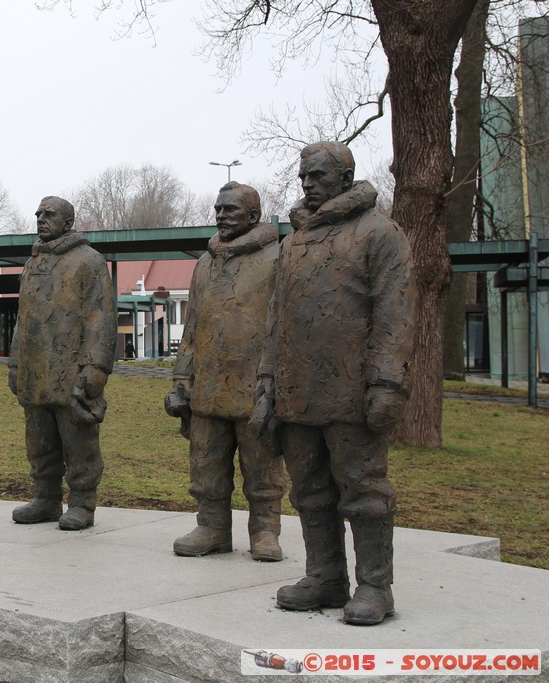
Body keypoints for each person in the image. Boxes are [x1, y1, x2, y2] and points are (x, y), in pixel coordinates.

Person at [251, 142, 416, 625]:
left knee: (364, 491)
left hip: (352, 393)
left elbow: (396, 313)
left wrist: (388, 384)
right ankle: (325, 577)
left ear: (345, 178)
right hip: (297, 392)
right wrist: (266, 383)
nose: (307, 183)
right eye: (304, 175)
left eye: (318, 175)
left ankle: (374, 586)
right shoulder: (294, 242)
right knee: (309, 490)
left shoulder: (380, 234)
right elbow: (276, 320)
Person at [165, 182, 285, 561]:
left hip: (256, 385)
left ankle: (265, 529)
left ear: (253, 216)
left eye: (230, 209)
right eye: (218, 209)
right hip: (208, 385)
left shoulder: (277, 259)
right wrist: (182, 380)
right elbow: (192, 328)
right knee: (206, 464)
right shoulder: (205, 263)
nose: (220, 215)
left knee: (262, 466)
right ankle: (211, 526)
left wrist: (277, 384)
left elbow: (286, 325)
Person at [8, 196, 116, 531]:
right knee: (39, 440)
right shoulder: (32, 264)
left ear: (68, 223)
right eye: (38, 213)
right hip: (35, 370)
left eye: (49, 214)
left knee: (79, 442)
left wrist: (94, 370)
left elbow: (101, 319)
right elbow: (23, 319)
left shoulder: (89, 261)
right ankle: (46, 497)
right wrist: (15, 363)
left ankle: (83, 502)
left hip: (72, 372)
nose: (40, 218)